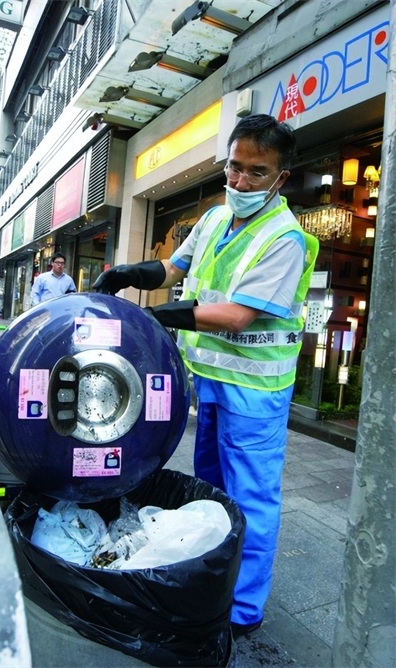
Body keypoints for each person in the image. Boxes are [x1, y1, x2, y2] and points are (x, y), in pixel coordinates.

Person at [93, 114, 319, 638]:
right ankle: (210, 578)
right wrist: (128, 274)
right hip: (211, 379)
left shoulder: (285, 239)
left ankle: (243, 609)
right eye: (234, 167)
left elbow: (238, 315)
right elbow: (174, 268)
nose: (240, 181)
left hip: (256, 390)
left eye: (256, 173)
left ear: (281, 177)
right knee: (211, 488)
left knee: (251, 497)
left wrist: (154, 316)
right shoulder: (217, 218)